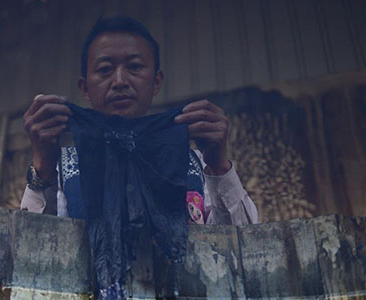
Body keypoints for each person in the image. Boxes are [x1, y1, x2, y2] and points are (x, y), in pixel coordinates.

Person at [21, 16, 257, 225]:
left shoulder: (193, 161)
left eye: (134, 67)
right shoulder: (64, 167)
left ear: (156, 81)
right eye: (105, 69)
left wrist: (218, 168)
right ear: (85, 87)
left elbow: (243, 248)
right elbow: (34, 249)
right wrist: (42, 168)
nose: (120, 81)